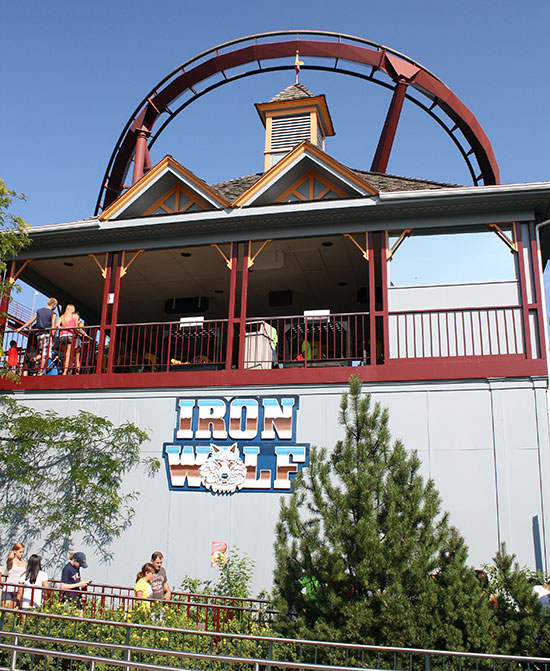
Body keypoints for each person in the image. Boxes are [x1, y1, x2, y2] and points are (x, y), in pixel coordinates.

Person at [16, 297, 58, 375]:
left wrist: (21, 328)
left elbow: (31, 320)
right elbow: (53, 327)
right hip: (46, 334)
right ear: (53, 304)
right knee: (46, 354)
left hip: (38, 334)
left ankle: (34, 359)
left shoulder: (39, 311)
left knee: (42, 352)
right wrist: (54, 338)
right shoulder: (53, 314)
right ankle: (40, 371)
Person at [56, 304, 77, 375]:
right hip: (70, 335)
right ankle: (65, 371)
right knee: (68, 354)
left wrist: (62, 328)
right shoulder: (74, 316)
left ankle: (63, 369)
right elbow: (76, 326)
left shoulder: (62, 316)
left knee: (65, 354)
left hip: (62, 335)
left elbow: (57, 325)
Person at [3, 543, 26, 608]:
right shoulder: (12, 562)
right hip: (9, 589)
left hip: (18, 590)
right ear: (15, 551)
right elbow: (9, 560)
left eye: (23, 552)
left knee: (15, 612)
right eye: (20, 552)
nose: (22, 554)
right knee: (7, 611)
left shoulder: (24, 563)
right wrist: (10, 556)